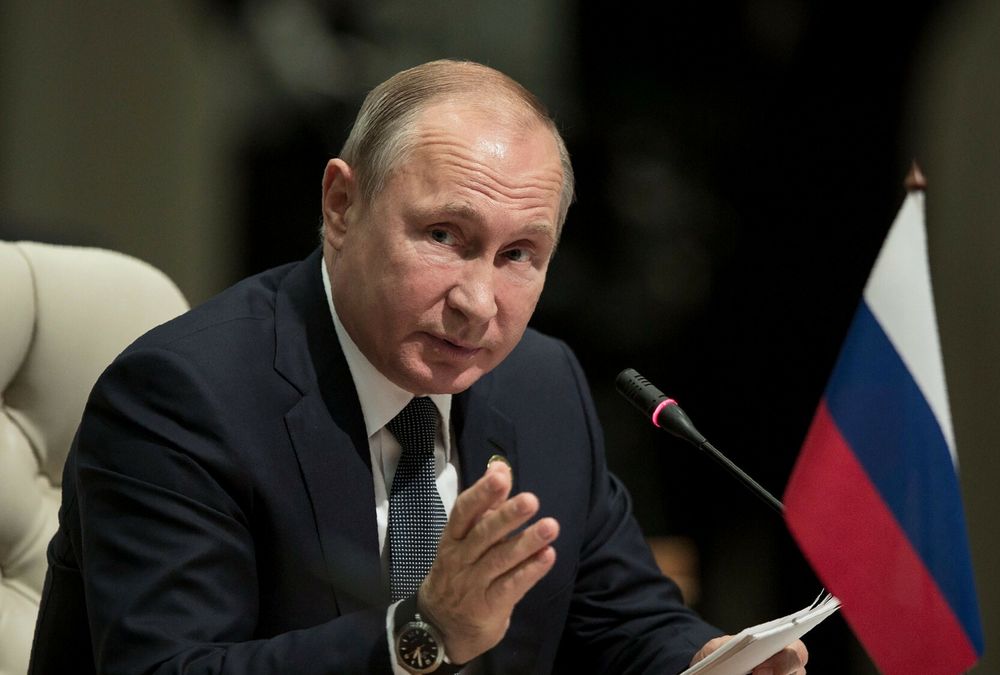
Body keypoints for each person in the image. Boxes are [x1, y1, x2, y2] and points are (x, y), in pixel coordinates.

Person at [29, 59, 808, 674]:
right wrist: (423, 631)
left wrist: (710, 658)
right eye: (443, 236)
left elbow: (626, 618)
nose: (478, 302)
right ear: (341, 206)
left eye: (519, 255)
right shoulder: (184, 396)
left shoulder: (541, 385)